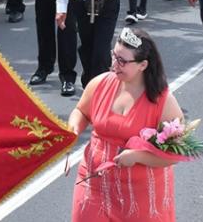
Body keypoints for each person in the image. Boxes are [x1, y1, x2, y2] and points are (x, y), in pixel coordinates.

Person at [69, 27, 183, 220]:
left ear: (143, 65)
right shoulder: (100, 83)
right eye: (114, 56)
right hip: (94, 183)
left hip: (140, 195)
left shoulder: (163, 101)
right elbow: (81, 111)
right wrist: (73, 129)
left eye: (123, 61)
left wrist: (138, 157)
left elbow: (174, 154)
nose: (115, 64)